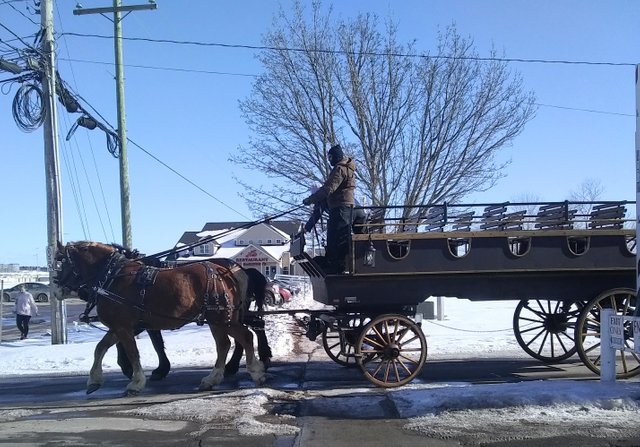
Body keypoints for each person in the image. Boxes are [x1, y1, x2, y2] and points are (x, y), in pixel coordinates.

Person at [302, 144, 356, 273]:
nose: (329, 160)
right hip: (342, 207)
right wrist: (307, 227)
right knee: (333, 237)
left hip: (341, 208)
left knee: (338, 238)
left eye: (330, 157)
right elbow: (317, 213)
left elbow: (329, 189)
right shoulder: (345, 168)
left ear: (335, 156)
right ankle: (335, 263)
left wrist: (311, 199)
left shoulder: (340, 169)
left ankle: (339, 267)